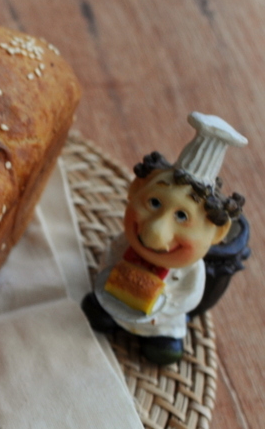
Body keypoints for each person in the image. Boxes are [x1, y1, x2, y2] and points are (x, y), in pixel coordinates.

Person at [82, 112, 246, 364]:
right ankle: (109, 314)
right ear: (136, 189)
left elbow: (190, 296)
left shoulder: (192, 270)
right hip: (116, 300)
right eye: (154, 202)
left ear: (216, 233)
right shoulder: (125, 243)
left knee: (165, 351)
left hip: (161, 320)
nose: (156, 231)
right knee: (96, 312)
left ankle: (159, 340)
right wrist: (110, 276)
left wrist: (165, 306)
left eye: (182, 216)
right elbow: (111, 255)